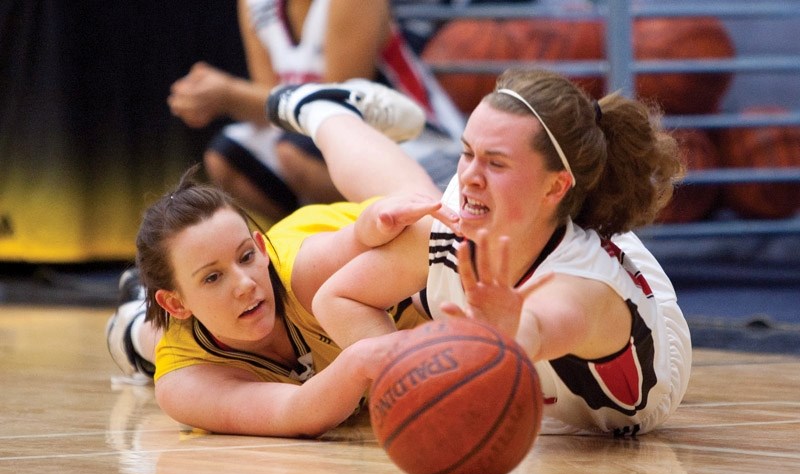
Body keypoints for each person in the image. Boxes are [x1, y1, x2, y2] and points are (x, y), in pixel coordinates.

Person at [272, 68, 692, 436]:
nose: (470, 176)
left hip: (649, 345)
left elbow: (535, 331)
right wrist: (407, 382)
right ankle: (325, 110)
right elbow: (339, 297)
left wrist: (500, 336)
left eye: (496, 162)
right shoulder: (463, 215)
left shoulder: (581, 290)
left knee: (425, 219)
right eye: (467, 152)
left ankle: (329, 112)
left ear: (555, 185)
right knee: (412, 205)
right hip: (524, 223)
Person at [106, 81, 460, 437]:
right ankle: (135, 321)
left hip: (326, 239)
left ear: (261, 248)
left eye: (246, 257)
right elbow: (292, 413)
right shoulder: (184, 384)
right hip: (190, 325)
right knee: (151, 339)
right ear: (174, 301)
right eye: (213, 277)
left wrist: (374, 225)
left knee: (430, 215)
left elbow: (357, 237)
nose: (245, 282)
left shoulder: (306, 272)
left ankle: (324, 110)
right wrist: (363, 359)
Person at [167, 0, 463, 222]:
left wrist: (228, 94)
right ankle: (307, 243)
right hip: (314, 136)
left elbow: (335, 101)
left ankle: (409, 229)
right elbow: (271, 105)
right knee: (226, 157)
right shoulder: (255, 4)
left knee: (296, 152)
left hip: (420, 141)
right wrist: (219, 95)